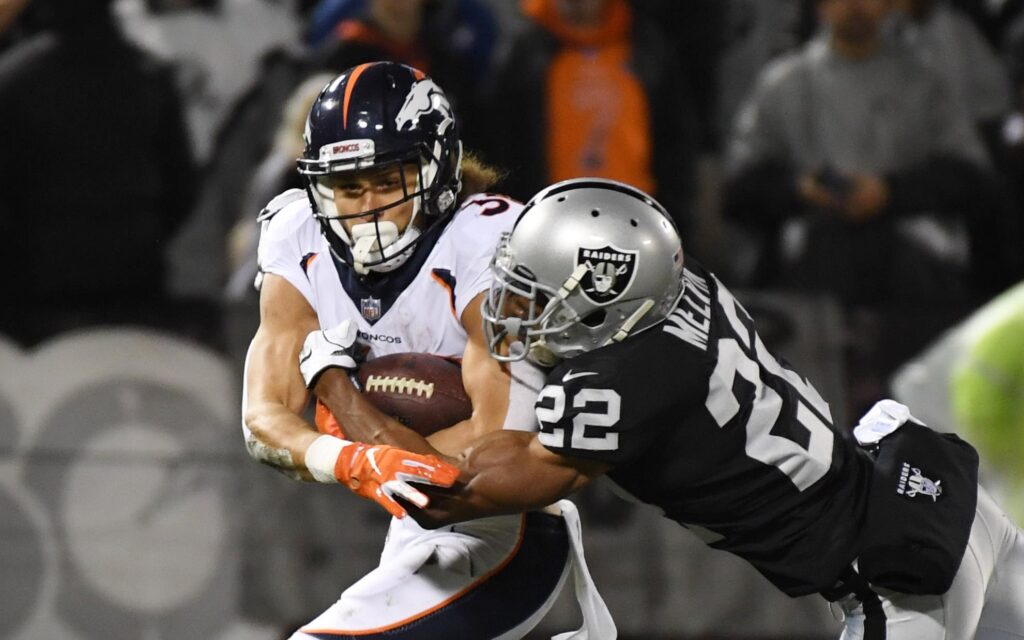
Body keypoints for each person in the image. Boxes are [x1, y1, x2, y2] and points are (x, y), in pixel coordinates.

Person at [313, 178, 1024, 639]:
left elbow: (441, 493)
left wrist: (336, 386)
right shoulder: (680, 290)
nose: (517, 309)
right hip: (937, 496)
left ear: (603, 296)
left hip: (897, 584)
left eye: (539, 292)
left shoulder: (621, 380)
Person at [241, 62, 613, 639]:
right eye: (348, 187)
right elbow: (263, 420)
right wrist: (352, 460)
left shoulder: (486, 242)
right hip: (416, 533)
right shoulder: (297, 232)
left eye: (388, 181)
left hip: (502, 526)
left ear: (436, 168)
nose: (367, 208)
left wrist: (350, 410)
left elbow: (497, 447)